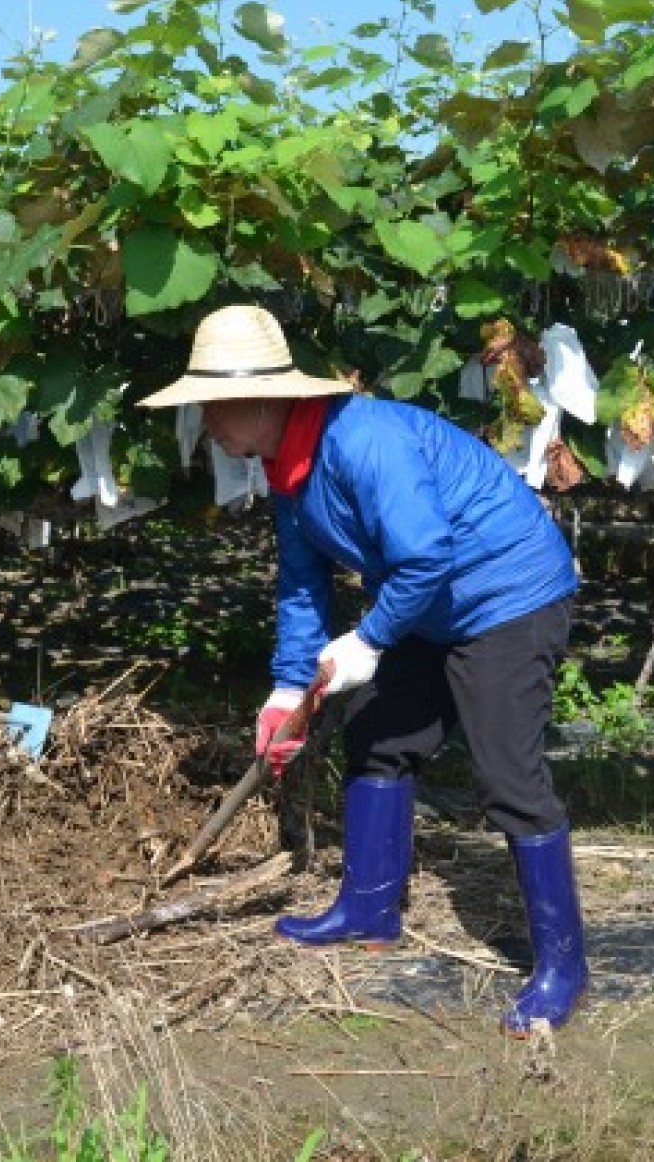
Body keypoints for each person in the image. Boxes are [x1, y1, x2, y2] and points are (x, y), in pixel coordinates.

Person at [139, 304, 586, 1037]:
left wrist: (371, 638)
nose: (208, 425)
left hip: (507, 596)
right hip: (430, 603)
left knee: (509, 776)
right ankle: (368, 908)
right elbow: (301, 582)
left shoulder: (366, 440)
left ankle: (562, 967)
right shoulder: (289, 470)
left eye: (215, 406)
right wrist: (289, 687)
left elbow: (425, 554)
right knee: (376, 733)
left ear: (268, 398)